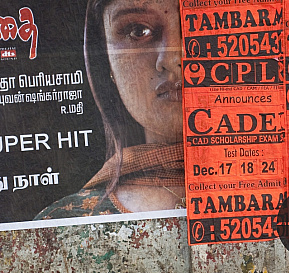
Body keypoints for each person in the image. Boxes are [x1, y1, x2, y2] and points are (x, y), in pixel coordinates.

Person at [36, 0, 185, 219]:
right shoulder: (62, 223)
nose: (173, 59)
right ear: (106, 59)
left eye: (199, 26)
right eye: (138, 31)